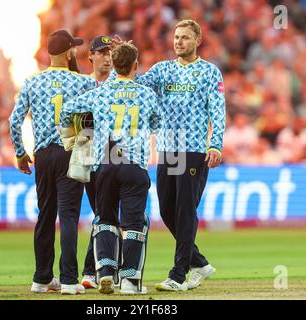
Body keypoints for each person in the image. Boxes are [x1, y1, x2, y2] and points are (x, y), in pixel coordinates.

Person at [112, 19, 226, 291]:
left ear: (198, 40)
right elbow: (133, 80)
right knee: (167, 211)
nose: (178, 42)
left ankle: (177, 275)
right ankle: (200, 263)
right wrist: (121, 57)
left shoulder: (209, 72)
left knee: (186, 211)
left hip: (194, 147)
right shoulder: (163, 70)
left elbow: (217, 110)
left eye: (185, 37)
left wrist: (216, 144)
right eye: (176, 37)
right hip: (167, 146)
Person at [61, 43, 162, 295]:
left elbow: (66, 110)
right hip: (133, 164)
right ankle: (129, 281)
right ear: (136, 66)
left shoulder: (100, 92)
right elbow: (159, 122)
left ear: (114, 65)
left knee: (105, 219)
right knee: (134, 223)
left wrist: (73, 138)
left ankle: (105, 272)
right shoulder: (146, 94)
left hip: (105, 163)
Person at [9, 30, 97, 295]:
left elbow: (14, 121)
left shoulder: (32, 81)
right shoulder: (83, 83)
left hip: (43, 155)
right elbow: (93, 121)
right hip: (71, 152)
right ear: (69, 52)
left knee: (45, 215)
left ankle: (42, 277)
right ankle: (69, 279)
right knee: (68, 216)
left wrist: (20, 153)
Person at [80, 35, 114, 290]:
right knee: (102, 214)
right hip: (88, 154)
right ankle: (101, 269)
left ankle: (94, 270)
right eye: (101, 52)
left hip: (115, 155)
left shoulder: (121, 83)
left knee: (107, 214)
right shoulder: (82, 85)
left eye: (111, 52)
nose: (107, 56)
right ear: (90, 56)